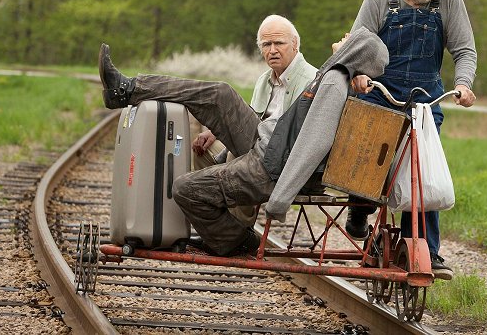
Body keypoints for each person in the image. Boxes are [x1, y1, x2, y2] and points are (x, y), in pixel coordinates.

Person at [98, 27, 388, 257]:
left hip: (270, 166)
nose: (342, 38)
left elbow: (314, 143)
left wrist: (280, 200)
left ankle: (235, 240)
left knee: (184, 189)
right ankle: (128, 90)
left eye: (349, 38)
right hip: (267, 142)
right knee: (220, 94)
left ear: (355, 49)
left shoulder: (333, 82)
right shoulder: (333, 73)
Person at [345, 0, 478, 281]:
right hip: (379, 92)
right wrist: (358, 74)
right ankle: (359, 208)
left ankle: (426, 252)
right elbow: (356, 44)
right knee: (366, 162)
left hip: (424, 98)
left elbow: (464, 49)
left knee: (424, 175)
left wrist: (463, 84)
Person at [189, 15, 317, 226]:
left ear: (295, 45)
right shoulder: (263, 80)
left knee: (236, 154)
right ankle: (218, 223)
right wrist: (217, 132)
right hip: (256, 149)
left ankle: (240, 228)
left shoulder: (310, 80)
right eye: (266, 44)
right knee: (202, 148)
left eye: (279, 43)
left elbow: (300, 139)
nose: (272, 50)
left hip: (282, 161)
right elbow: (253, 119)